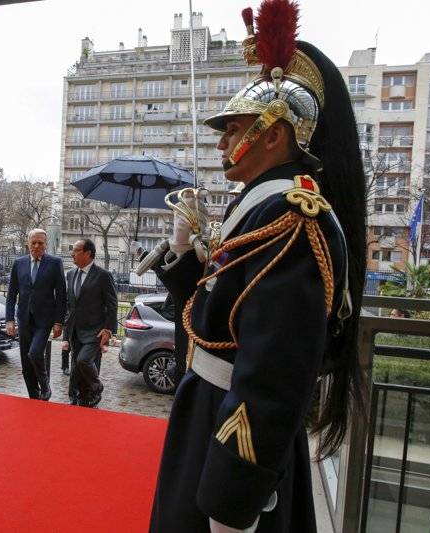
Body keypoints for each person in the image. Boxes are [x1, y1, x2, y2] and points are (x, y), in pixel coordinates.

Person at [144, 2, 366, 531]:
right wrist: (184, 256)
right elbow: (223, 308)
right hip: (209, 408)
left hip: (228, 426)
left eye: (234, 127)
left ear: (274, 135)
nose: (222, 140)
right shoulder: (263, 202)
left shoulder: (291, 213)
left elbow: (272, 370)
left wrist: (233, 499)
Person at [5, 229, 66, 401]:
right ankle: (34, 397)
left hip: (44, 320)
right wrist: (10, 319)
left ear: (46, 244)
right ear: (28, 243)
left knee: (35, 353)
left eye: (40, 243)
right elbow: (11, 294)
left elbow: (61, 294)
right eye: (34, 243)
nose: (37, 246)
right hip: (24, 319)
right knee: (25, 363)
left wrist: (59, 322)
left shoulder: (55, 263)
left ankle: (45, 385)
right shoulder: (19, 263)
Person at [64, 239, 117, 407]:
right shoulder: (71, 274)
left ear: (88, 253)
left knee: (83, 361)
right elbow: (70, 306)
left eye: (76, 250)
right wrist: (66, 332)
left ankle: (97, 387)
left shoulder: (103, 275)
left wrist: (108, 329)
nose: (72, 253)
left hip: (95, 331)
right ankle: (81, 399)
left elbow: (112, 304)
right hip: (75, 330)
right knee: (76, 367)